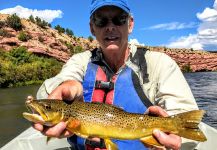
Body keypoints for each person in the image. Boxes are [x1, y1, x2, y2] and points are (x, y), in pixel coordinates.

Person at [34, 0, 200, 149]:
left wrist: (175, 140)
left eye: (119, 19)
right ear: (92, 27)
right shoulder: (80, 61)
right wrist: (66, 85)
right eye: (101, 20)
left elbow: (185, 112)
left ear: (130, 24)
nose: (110, 27)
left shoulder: (160, 64)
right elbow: (51, 90)